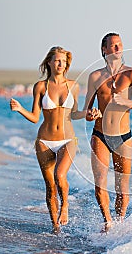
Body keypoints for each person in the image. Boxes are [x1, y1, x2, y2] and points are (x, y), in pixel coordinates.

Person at [10, 46, 82, 234]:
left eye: (64, 61)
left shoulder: (73, 85)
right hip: (44, 141)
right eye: (57, 60)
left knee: (60, 175)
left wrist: (89, 114)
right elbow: (35, 117)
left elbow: (74, 114)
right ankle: (55, 227)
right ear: (49, 62)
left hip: (68, 140)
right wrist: (19, 109)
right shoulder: (41, 87)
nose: (61, 64)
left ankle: (65, 205)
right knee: (50, 187)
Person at [83, 33, 132, 232]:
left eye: (119, 44)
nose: (118, 48)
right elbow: (86, 110)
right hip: (100, 135)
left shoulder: (131, 74)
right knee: (100, 181)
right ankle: (107, 222)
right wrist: (90, 114)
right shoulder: (95, 76)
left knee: (122, 187)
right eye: (113, 45)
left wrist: (126, 102)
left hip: (123, 137)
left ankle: (119, 222)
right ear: (104, 50)